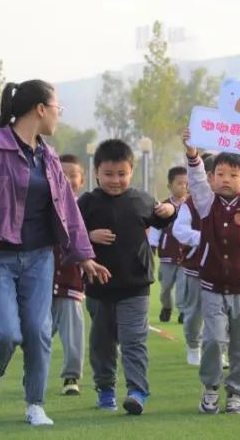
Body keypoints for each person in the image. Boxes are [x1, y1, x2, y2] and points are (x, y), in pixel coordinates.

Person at [0, 80, 108, 426]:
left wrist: (83, 254)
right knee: (5, 332)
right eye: (57, 109)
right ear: (40, 109)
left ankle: (35, 404)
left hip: (39, 258)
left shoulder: (49, 156)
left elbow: (67, 207)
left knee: (37, 330)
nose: (58, 117)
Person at [80, 139, 177, 415]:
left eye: (122, 174)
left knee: (134, 340)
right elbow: (69, 236)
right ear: (96, 172)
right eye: (109, 174)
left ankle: (137, 391)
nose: (115, 180)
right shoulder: (86, 203)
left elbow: (163, 216)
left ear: (131, 172)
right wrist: (89, 236)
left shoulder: (141, 199)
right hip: (98, 288)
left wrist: (171, 210)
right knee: (102, 343)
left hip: (135, 286)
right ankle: (106, 389)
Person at [181, 130, 240, 415]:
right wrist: (192, 154)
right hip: (211, 285)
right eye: (220, 174)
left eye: (233, 175)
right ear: (212, 178)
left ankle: (236, 393)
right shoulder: (206, 203)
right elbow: (196, 181)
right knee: (212, 339)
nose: (225, 179)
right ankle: (210, 388)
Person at [173, 153, 216, 365]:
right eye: (219, 174)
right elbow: (179, 230)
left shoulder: (235, 201)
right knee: (194, 312)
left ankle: (220, 349)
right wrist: (206, 239)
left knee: (221, 314)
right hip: (196, 267)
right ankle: (193, 344)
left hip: (226, 270)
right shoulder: (190, 205)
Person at [53, 154, 88, 397]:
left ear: (82, 180)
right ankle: (32, 372)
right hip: (39, 283)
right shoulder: (41, 205)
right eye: (61, 174)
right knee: (35, 335)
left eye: (72, 175)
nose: (67, 179)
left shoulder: (86, 208)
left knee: (73, 336)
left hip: (71, 282)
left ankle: (71, 377)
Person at [148, 167, 190, 323]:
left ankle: (183, 312)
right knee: (165, 288)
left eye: (186, 183)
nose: (184, 187)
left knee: (182, 287)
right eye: (179, 183)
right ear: (170, 186)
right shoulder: (162, 207)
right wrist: (152, 247)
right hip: (167, 256)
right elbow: (155, 229)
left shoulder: (192, 206)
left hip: (186, 256)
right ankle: (167, 307)